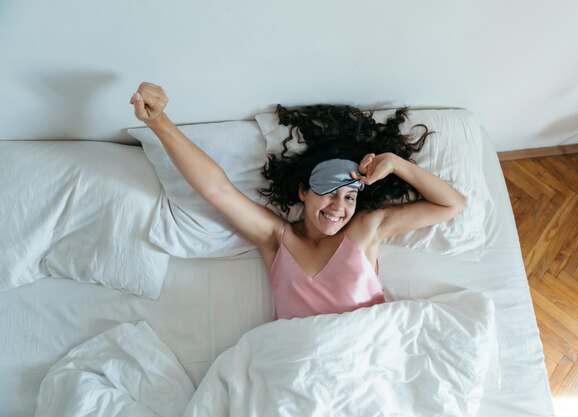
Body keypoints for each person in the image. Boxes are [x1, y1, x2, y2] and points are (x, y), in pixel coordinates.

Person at [130, 82, 467, 320]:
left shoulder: (366, 229)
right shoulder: (276, 239)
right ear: (303, 191)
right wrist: (159, 122)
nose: (339, 206)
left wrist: (396, 163)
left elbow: (452, 205)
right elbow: (217, 189)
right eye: (329, 192)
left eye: (350, 196)